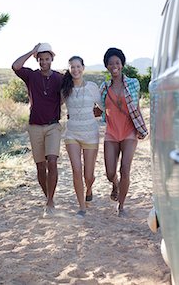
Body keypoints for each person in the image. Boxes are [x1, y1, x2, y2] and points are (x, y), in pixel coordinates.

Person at [11, 43, 63, 218]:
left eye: (47, 59)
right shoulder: (31, 76)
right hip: (34, 126)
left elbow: (72, 90)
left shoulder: (59, 78)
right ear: (37, 60)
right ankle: (48, 197)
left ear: (52, 59)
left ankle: (50, 201)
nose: (44, 62)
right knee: (40, 167)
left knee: (52, 162)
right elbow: (15, 66)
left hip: (53, 126)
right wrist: (32, 51)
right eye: (40, 59)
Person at [99, 47, 148, 217]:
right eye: (111, 63)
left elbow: (136, 107)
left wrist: (140, 126)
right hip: (111, 133)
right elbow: (100, 108)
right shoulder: (104, 87)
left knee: (125, 169)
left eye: (117, 63)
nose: (114, 66)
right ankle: (115, 184)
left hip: (129, 132)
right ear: (107, 66)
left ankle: (121, 206)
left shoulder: (134, 83)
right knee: (110, 173)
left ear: (122, 64)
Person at [61, 56, 103, 218]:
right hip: (72, 134)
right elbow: (54, 105)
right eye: (72, 67)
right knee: (76, 170)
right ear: (69, 69)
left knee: (88, 175)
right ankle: (81, 207)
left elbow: (104, 106)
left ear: (83, 68)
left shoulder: (92, 87)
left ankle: (89, 189)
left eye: (78, 66)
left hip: (91, 135)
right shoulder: (65, 89)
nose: (75, 70)